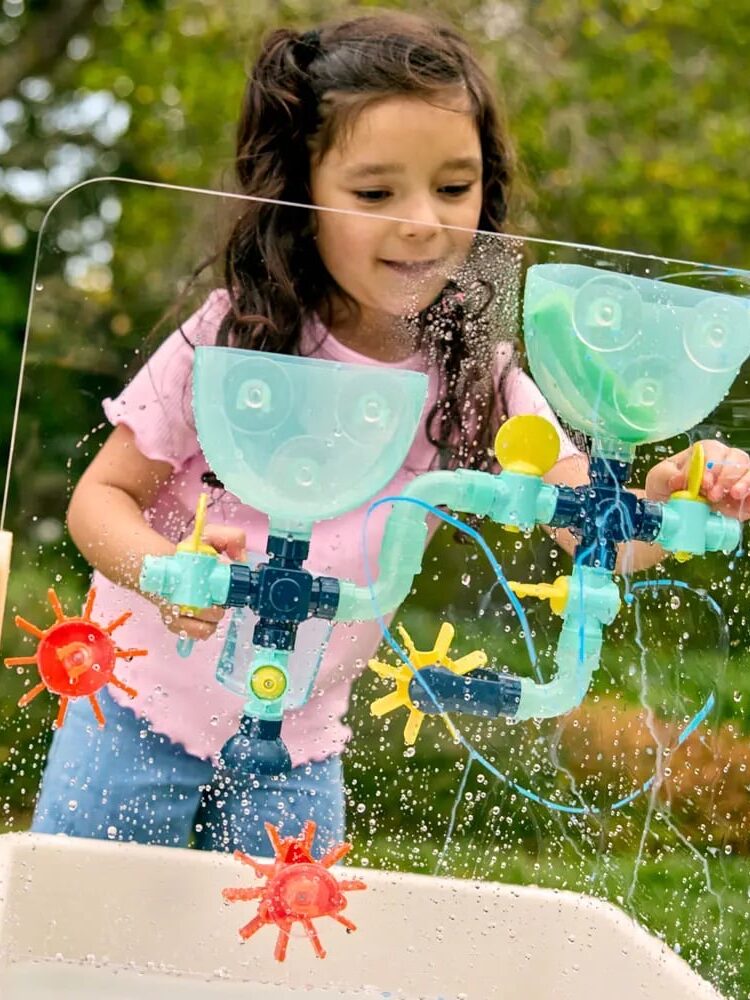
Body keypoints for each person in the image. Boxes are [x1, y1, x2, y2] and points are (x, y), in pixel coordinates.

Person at [31, 11, 750, 855]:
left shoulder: (474, 373)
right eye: (376, 193)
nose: (424, 223)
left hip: (293, 748)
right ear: (300, 196)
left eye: (454, 187)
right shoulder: (238, 337)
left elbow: (593, 537)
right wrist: (164, 572)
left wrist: (665, 498)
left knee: (288, 973)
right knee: (88, 936)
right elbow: (101, 498)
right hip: (134, 710)